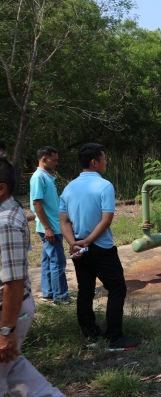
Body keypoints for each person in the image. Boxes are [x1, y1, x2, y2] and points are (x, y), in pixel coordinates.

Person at [60, 143, 140, 351]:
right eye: (104, 159)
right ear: (94, 162)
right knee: (117, 288)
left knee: (85, 290)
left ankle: (91, 334)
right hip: (101, 248)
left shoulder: (69, 187)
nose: (106, 162)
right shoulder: (105, 186)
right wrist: (88, 241)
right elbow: (106, 220)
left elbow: (64, 221)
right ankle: (115, 338)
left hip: (78, 248)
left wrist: (73, 243)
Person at [0, 157, 64, 396]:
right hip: (11, 310)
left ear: (1, 188)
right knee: (15, 372)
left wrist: (6, 332)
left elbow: (14, 282)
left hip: (7, 311)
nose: (56, 163)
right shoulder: (9, 210)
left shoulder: (5, 223)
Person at [29, 146, 69, 305]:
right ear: (45, 159)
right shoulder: (38, 177)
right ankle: (61, 298)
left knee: (48, 260)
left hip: (52, 225)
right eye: (54, 160)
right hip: (50, 227)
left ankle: (49, 292)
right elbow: (37, 203)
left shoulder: (46, 176)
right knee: (58, 262)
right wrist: (47, 228)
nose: (56, 163)